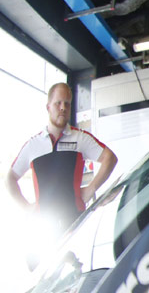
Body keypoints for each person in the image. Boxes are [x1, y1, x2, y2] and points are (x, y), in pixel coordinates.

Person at [6, 82, 117, 241]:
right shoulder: (33, 145)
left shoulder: (80, 138)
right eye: (58, 103)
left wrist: (91, 188)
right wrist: (27, 208)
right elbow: (10, 179)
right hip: (43, 227)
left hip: (74, 222)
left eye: (67, 104)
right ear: (48, 107)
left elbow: (110, 158)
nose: (63, 108)